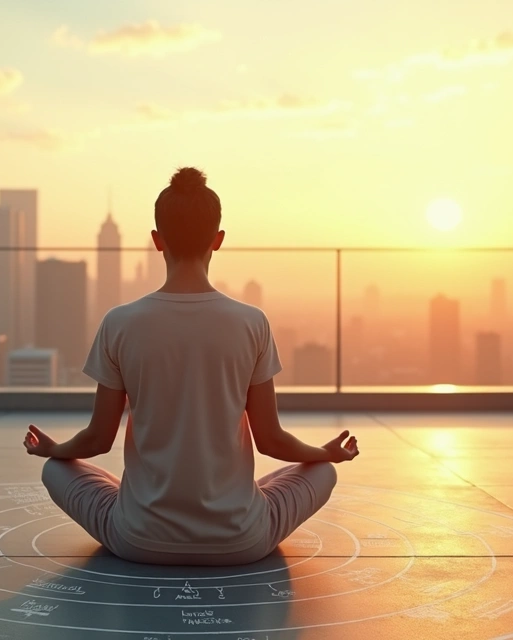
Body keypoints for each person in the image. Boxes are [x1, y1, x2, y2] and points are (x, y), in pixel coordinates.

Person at [23, 167, 359, 566]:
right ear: (218, 241)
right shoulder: (251, 322)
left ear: (156, 241)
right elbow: (271, 441)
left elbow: (98, 440)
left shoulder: (120, 322)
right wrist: (325, 453)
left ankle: (139, 508)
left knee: (54, 471)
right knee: (322, 473)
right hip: (241, 542)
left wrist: (53, 449)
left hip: (138, 540)